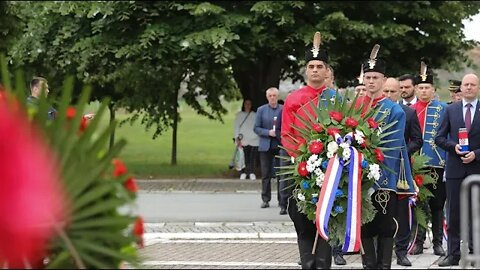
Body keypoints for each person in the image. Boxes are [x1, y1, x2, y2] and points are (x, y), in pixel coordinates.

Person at [354, 44, 416, 269]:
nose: (371, 81)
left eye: (375, 77)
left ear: (384, 80)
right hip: (357, 177)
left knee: (384, 225)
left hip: (384, 178)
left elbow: (392, 146)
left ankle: (384, 266)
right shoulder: (354, 108)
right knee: (364, 225)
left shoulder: (394, 111)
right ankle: (368, 265)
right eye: (368, 77)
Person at [281, 31, 338, 269]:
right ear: (306, 70)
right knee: (304, 222)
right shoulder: (294, 99)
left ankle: (325, 263)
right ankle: (307, 263)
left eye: (320, 66)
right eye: (311, 66)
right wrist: (304, 158)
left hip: (332, 170)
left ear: (327, 71)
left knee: (326, 220)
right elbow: (287, 134)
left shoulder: (336, 99)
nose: (315, 70)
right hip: (302, 168)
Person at [435, 73, 480, 267]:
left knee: (476, 211)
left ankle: (475, 252)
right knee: (453, 212)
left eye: (472, 85)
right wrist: (453, 147)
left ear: (478, 88)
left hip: (477, 167)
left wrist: (476, 154)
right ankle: (453, 254)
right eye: (466, 84)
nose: (468, 87)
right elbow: (439, 137)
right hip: (455, 168)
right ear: (461, 88)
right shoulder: (450, 110)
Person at [383, 77, 423, 266]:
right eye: (386, 91)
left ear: (400, 92)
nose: (389, 95)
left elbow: (417, 139)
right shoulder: (373, 112)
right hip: (379, 169)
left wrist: (402, 152)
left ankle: (401, 252)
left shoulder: (408, 112)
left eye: (392, 91)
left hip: (400, 170)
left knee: (401, 212)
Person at [409, 62, 447, 257]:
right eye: (421, 87)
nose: (424, 91)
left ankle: (438, 243)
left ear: (433, 90)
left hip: (437, 164)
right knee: (418, 205)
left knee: (437, 206)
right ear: (416, 89)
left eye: (427, 88)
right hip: (416, 166)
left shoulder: (444, 109)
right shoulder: (410, 110)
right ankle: (418, 241)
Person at [254, 87, 286, 211]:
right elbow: (256, 128)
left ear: (277, 97)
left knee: (280, 174)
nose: (272, 98)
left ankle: (281, 200)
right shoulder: (261, 110)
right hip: (265, 146)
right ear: (267, 97)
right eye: (270, 96)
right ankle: (265, 199)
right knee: (266, 174)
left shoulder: (283, 109)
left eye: (274, 96)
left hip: (279, 146)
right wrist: (268, 132)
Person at [233, 99, 259, 180]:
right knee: (242, 157)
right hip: (242, 139)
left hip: (254, 139)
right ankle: (243, 173)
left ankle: (251, 172)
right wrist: (236, 137)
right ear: (244, 105)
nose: (247, 106)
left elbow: (257, 126)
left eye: (249, 104)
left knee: (252, 157)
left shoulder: (255, 115)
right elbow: (236, 127)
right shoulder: (239, 115)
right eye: (246, 104)